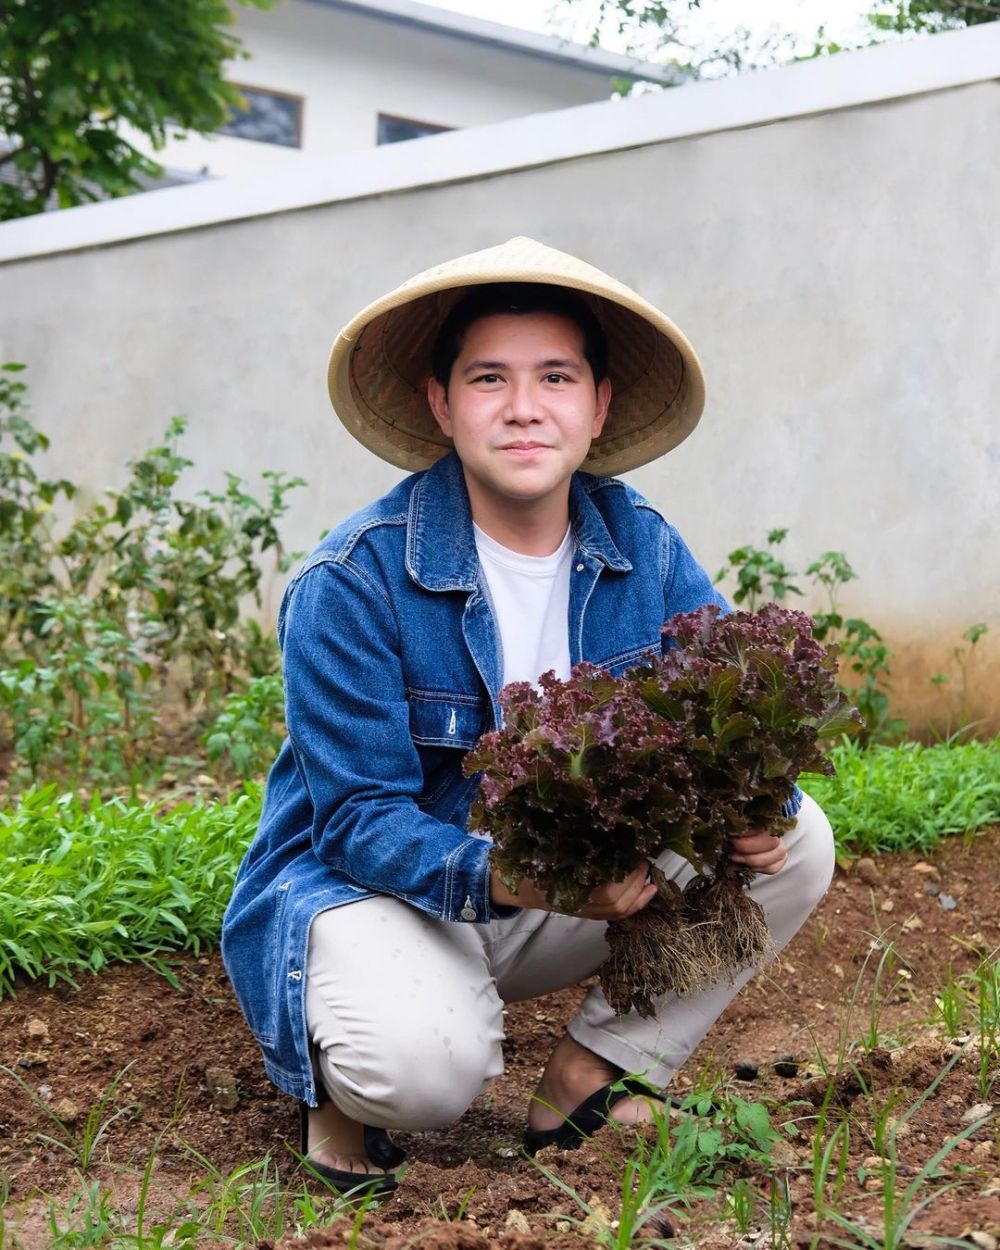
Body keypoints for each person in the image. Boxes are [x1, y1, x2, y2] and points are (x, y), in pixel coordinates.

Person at [221, 236, 834, 1195]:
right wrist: (518, 876)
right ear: (441, 403)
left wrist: (756, 802)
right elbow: (355, 823)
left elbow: (730, 712)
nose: (522, 407)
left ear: (599, 405)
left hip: (547, 889)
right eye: (488, 378)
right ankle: (340, 1089)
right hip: (384, 894)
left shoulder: (642, 543)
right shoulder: (353, 581)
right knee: (422, 1077)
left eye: (555, 375)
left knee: (800, 840)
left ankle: (591, 1077)